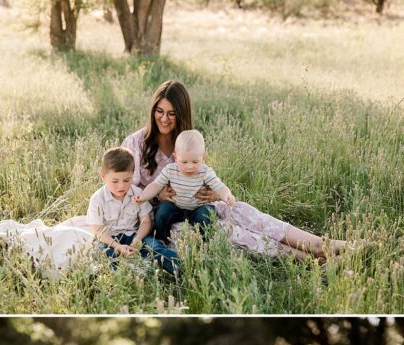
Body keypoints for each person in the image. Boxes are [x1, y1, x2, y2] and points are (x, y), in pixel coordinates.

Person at [121, 80, 350, 259]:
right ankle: (307, 258)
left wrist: (211, 193)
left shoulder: (188, 141)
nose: (164, 118)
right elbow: (124, 192)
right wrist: (157, 197)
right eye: (159, 111)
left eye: (171, 113)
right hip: (164, 219)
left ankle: (319, 244)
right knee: (226, 230)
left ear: (181, 115)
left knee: (242, 211)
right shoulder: (136, 143)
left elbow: (206, 175)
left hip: (198, 206)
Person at [86, 147, 179, 275]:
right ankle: (118, 277)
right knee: (103, 253)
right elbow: (98, 230)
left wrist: (137, 240)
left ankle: (180, 268)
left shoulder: (137, 194)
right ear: (103, 177)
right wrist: (117, 246)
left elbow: (146, 221)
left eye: (126, 180)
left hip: (134, 235)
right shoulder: (98, 199)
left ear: (132, 175)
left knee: (155, 247)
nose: (121, 186)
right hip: (109, 239)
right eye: (115, 181)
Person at [133, 129, 234, 242]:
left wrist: (227, 195)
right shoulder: (170, 169)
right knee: (162, 211)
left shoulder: (205, 172)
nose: (190, 167)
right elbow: (155, 185)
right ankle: (162, 239)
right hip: (176, 207)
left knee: (205, 214)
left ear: (203, 157)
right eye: (184, 162)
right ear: (176, 157)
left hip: (197, 208)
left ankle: (205, 241)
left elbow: (219, 186)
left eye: (195, 162)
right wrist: (143, 196)